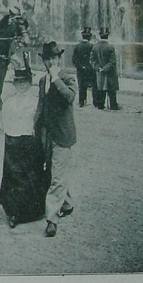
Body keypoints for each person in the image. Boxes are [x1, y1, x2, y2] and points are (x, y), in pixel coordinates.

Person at [33, 40, 78, 237]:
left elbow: (69, 97)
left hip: (62, 134)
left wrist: (56, 78)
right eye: (47, 59)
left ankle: (52, 219)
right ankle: (67, 204)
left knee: (57, 177)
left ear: (59, 59)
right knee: (54, 171)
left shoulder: (67, 78)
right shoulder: (42, 81)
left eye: (54, 58)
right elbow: (41, 107)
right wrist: (35, 128)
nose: (50, 62)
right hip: (46, 134)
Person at [93, 28, 120, 110]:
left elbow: (92, 60)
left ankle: (100, 105)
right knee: (111, 90)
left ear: (100, 36)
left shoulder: (95, 47)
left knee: (100, 88)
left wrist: (98, 68)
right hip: (109, 73)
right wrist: (105, 68)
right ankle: (113, 106)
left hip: (99, 72)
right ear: (107, 36)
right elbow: (113, 62)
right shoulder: (110, 47)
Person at [72, 27, 96, 108]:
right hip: (91, 70)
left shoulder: (77, 46)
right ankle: (95, 102)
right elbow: (95, 59)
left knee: (81, 86)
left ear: (82, 36)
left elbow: (74, 60)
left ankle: (82, 102)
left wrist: (80, 67)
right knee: (93, 86)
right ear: (90, 37)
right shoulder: (92, 46)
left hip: (80, 70)